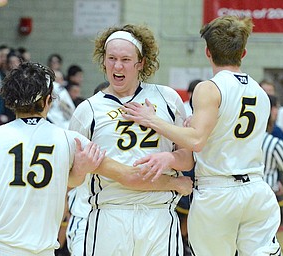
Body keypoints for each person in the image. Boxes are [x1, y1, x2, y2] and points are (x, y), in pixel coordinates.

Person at [0, 62, 192, 256]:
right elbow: (130, 176)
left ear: (9, 100)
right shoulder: (72, 142)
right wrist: (174, 183)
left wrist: (77, 176)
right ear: (48, 101)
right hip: (42, 250)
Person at [122, 16, 282, 256]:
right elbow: (227, 130)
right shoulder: (259, 92)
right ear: (244, 53)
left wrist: (151, 119)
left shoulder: (209, 87)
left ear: (208, 52)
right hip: (257, 191)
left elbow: (196, 141)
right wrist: (196, 126)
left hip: (219, 192)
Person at [66, 24, 194, 256]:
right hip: (110, 215)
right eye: (111, 58)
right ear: (103, 60)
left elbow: (187, 160)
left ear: (141, 63)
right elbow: (73, 176)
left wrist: (170, 157)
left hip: (160, 213)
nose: (117, 66)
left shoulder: (167, 98)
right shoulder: (87, 110)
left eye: (125, 59)